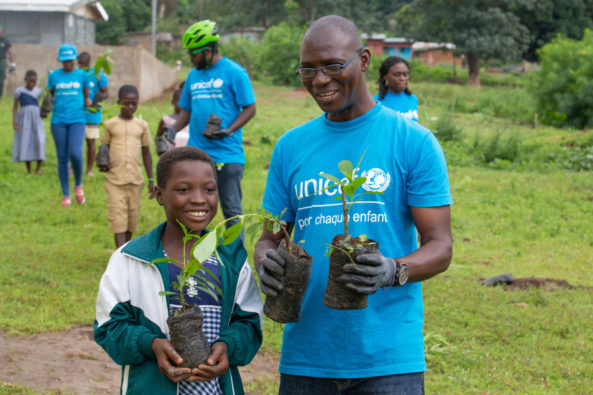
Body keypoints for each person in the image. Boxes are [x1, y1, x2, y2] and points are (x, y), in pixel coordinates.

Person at [255, 15, 452, 393]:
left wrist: (392, 270)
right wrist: (266, 259)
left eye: (332, 65)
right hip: (306, 357)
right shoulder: (290, 147)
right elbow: (269, 238)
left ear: (362, 60)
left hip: (388, 360)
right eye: (307, 69)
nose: (319, 80)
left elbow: (440, 247)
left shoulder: (413, 141)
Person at [94, 146, 263, 395]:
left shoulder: (231, 260)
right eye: (183, 190)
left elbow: (249, 323)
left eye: (209, 189)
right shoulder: (131, 259)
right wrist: (150, 344)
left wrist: (228, 345)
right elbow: (109, 326)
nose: (198, 199)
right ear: (159, 195)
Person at [165, 20, 256, 231]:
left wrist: (229, 130)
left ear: (207, 50)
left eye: (193, 54)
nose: (191, 58)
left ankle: (237, 260)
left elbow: (250, 109)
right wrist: (174, 129)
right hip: (198, 156)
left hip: (228, 156)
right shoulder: (193, 75)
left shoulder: (234, 72)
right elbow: (186, 109)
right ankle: (192, 255)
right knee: (193, 207)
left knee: (231, 211)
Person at [99, 85, 155, 248]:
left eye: (133, 103)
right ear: (119, 103)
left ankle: (126, 253)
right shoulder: (110, 125)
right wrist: (102, 161)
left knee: (132, 219)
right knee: (118, 219)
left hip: (135, 180)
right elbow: (104, 148)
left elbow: (146, 153)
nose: (130, 107)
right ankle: (119, 257)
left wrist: (151, 179)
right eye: (126, 103)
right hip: (115, 180)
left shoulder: (142, 126)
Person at [47, 43, 91, 207]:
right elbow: (52, 95)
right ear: (61, 61)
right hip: (58, 121)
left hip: (77, 120)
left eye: (71, 60)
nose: (69, 63)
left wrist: (89, 102)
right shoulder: (53, 76)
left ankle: (78, 184)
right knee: (62, 157)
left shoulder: (82, 75)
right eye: (65, 61)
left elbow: (86, 97)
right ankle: (66, 194)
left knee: (76, 153)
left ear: (75, 59)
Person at [78, 51, 109, 177]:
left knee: (91, 142)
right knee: (76, 143)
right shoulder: (77, 75)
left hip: (92, 114)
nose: (81, 67)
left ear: (88, 63)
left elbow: (106, 93)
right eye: (80, 64)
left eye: (83, 64)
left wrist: (96, 100)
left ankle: (89, 170)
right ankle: (72, 167)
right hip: (77, 114)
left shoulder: (98, 75)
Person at [12, 70, 45, 174]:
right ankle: (29, 169)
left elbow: (39, 106)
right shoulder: (19, 91)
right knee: (26, 141)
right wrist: (14, 121)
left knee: (39, 140)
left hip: (36, 119)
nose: (32, 84)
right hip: (24, 120)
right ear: (25, 80)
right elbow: (15, 107)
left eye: (34, 82)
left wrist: (43, 113)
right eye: (30, 81)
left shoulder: (38, 92)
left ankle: (39, 167)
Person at [375, 56, 419, 122]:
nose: (402, 78)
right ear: (385, 76)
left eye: (405, 74)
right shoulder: (376, 103)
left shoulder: (412, 99)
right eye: (397, 74)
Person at [0, 25, 15, 100]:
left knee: (1, 80)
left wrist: (12, 64)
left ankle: (0, 95)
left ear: (2, 32)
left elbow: (10, 52)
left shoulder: (5, 41)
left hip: (2, 61)